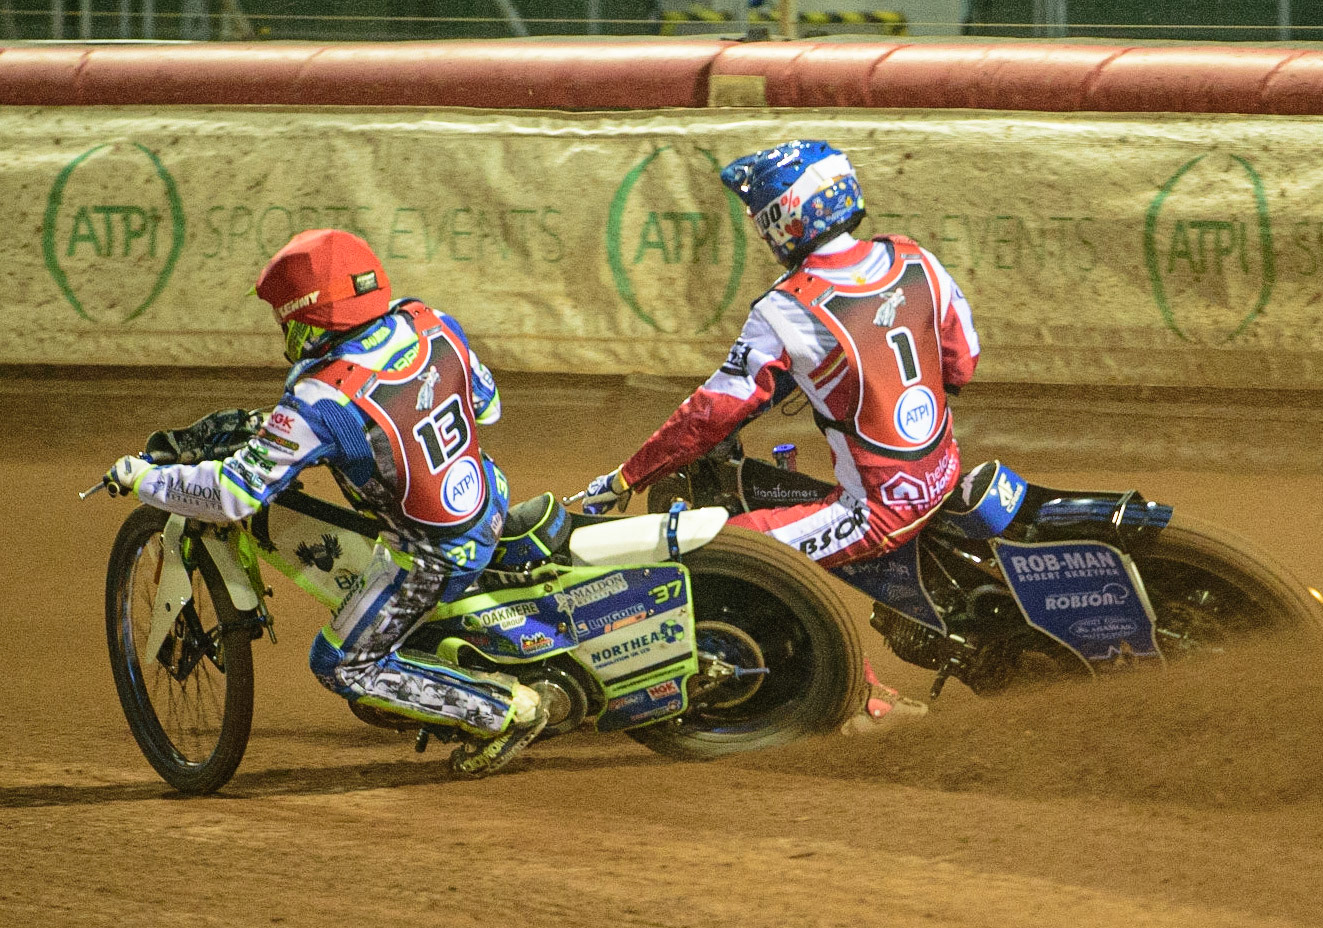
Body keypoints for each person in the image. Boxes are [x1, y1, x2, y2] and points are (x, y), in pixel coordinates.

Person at [104, 229, 546, 776]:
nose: (281, 330)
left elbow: (233, 495)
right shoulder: (429, 320)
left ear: (309, 318)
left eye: (284, 319)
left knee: (339, 663)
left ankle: (501, 711)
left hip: (433, 552)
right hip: (488, 492)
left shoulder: (321, 397)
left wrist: (144, 478)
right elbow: (488, 406)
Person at [577, 140, 980, 734]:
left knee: (715, 555)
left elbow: (711, 412)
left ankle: (864, 700)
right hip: (944, 472)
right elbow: (962, 364)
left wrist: (626, 478)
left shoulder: (786, 309)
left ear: (786, 217)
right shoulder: (915, 258)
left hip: (876, 509)